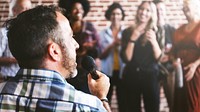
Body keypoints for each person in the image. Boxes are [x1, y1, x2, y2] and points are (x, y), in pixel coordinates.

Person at [0, 5, 111, 112]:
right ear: (54, 51)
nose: (76, 44)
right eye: (71, 37)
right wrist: (102, 98)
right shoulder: (86, 106)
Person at [120, 1, 162, 112]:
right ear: (138, 10)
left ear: (152, 13)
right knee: (132, 108)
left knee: (153, 108)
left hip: (151, 76)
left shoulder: (158, 31)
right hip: (132, 76)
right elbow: (126, 59)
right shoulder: (127, 32)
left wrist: (154, 42)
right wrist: (133, 39)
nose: (144, 12)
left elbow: (159, 58)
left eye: (148, 10)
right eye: (142, 9)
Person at [58, 0, 101, 94]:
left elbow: (99, 50)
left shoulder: (90, 28)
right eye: (75, 9)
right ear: (69, 10)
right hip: (67, 72)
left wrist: (91, 47)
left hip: (85, 73)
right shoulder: (64, 27)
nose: (78, 11)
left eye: (81, 8)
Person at [171, 0, 200, 112]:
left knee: (193, 105)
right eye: (183, 6)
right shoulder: (179, 29)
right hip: (181, 73)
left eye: (187, 5)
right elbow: (174, 52)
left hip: (196, 73)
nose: (184, 8)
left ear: (196, 6)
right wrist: (174, 61)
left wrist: (194, 65)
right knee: (180, 105)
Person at [99, 2, 126, 112]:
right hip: (107, 72)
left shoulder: (126, 33)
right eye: (113, 14)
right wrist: (112, 45)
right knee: (106, 101)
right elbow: (101, 55)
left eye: (118, 14)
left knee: (123, 102)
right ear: (109, 16)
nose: (116, 16)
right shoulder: (103, 33)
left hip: (122, 71)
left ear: (122, 16)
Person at [0, 0, 32, 82]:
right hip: (7, 79)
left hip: (26, 80)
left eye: (29, 9)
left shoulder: (31, 33)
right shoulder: (3, 33)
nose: (28, 12)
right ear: (14, 11)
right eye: (25, 8)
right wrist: (18, 59)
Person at [153, 1, 176, 112]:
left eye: (161, 10)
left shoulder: (172, 30)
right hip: (153, 72)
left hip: (169, 71)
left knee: (173, 102)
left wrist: (171, 55)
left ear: (165, 12)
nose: (159, 13)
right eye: (156, 10)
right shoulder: (150, 31)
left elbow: (178, 50)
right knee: (153, 104)